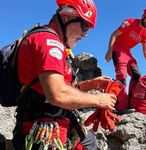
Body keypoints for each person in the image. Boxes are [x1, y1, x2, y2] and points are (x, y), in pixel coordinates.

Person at [12, 0, 117, 149]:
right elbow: (57, 94)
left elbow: (63, 87)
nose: (85, 34)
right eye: (85, 26)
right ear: (68, 17)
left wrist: (90, 85)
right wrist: (98, 100)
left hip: (63, 127)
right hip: (44, 133)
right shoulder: (49, 42)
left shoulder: (56, 45)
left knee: (89, 140)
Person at [105, 5, 146, 112]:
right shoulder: (130, 22)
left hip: (128, 53)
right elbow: (114, 34)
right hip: (118, 51)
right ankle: (121, 107)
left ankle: (130, 102)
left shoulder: (145, 33)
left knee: (137, 75)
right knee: (122, 78)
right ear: (143, 15)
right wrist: (109, 50)